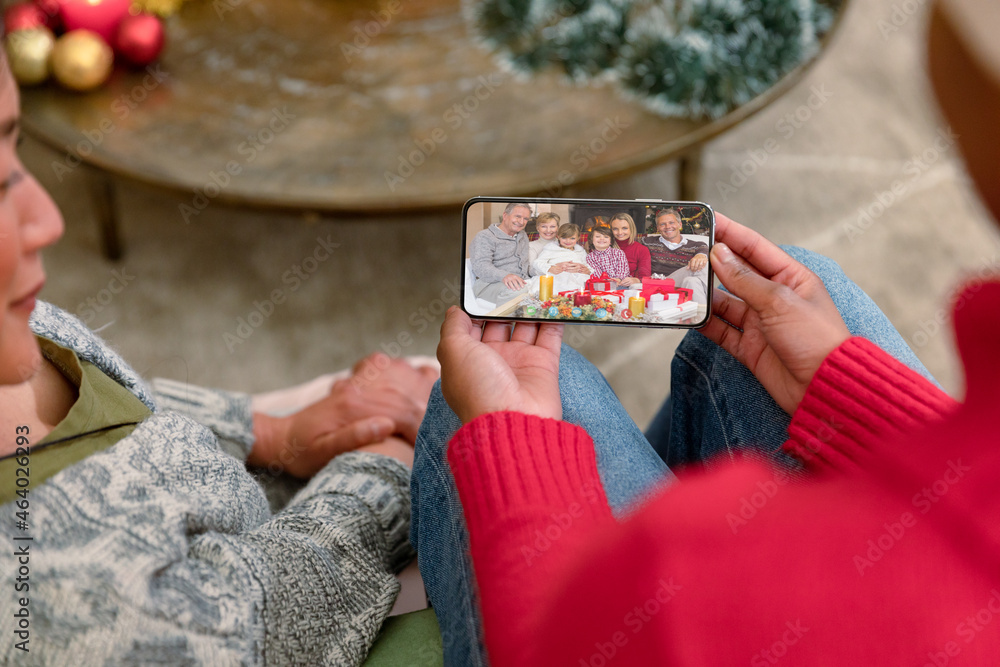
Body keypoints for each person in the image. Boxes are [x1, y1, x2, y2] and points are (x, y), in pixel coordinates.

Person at [408, 0, 1000, 664]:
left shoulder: (697, 581)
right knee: (794, 294)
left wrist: (514, 448)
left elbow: (570, 641)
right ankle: (654, 462)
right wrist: (856, 392)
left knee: (524, 390)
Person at [0, 52, 439, 664]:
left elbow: (127, 418)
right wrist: (385, 465)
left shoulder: (12, 327)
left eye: (15, 147)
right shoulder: (45, 599)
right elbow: (268, 623)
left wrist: (265, 430)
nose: (48, 219)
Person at [468, 202, 539, 304]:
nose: (521, 222)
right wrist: (505, 276)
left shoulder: (522, 235)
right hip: (489, 284)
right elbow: (481, 266)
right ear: (505, 216)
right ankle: (502, 319)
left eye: (525, 219)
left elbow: (524, 265)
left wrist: (545, 270)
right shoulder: (484, 236)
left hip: (520, 282)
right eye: (517, 216)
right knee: (520, 293)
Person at [641, 207, 709, 302]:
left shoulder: (695, 245)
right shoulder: (647, 242)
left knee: (692, 281)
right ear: (658, 228)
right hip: (660, 283)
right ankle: (713, 305)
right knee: (701, 267)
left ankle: (702, 315)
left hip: (682, 284)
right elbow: (626, 238)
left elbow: (703, 248)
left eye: (671, 222)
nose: (668, 226)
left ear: (679, 224)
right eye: (662, 224)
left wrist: (701, 255)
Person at [531, 223, 591, 293]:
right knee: (555, 288)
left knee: (585, 287)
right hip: (557, 276)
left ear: (578, 238)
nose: (568, 241)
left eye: (572, 238)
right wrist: (550, 268)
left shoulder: (580, 251)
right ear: (558, 237)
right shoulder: (551, 249)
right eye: (564, 238)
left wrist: (587, 270)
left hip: (578, 277)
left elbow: (587, 265)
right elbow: (537, 263)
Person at [609, 212, 651, 286]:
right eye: (615, 229)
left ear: (631, 228)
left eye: (624, 228)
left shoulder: (641, 249)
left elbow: (645, 276)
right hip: (605, 285)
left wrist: (635, 280)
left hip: (628, 287)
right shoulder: (605, 246)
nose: (620, 232)